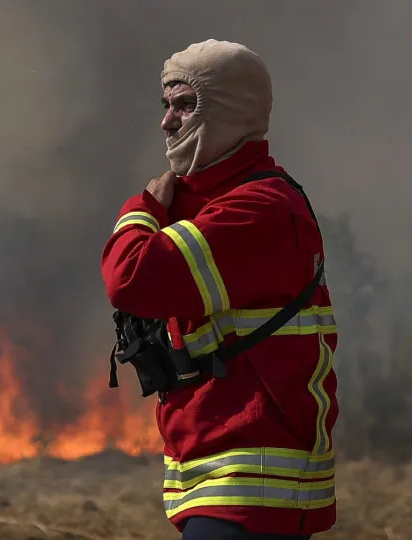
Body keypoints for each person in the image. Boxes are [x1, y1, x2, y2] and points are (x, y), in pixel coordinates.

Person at [100, 39, 339, 539]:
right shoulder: (218, 204)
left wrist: (142, 208)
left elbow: (131, 279)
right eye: (166, 105)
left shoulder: (259, 209)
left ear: (232, 109)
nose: (168, 122)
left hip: (250, 481)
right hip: (219, 474)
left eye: (185, 105)